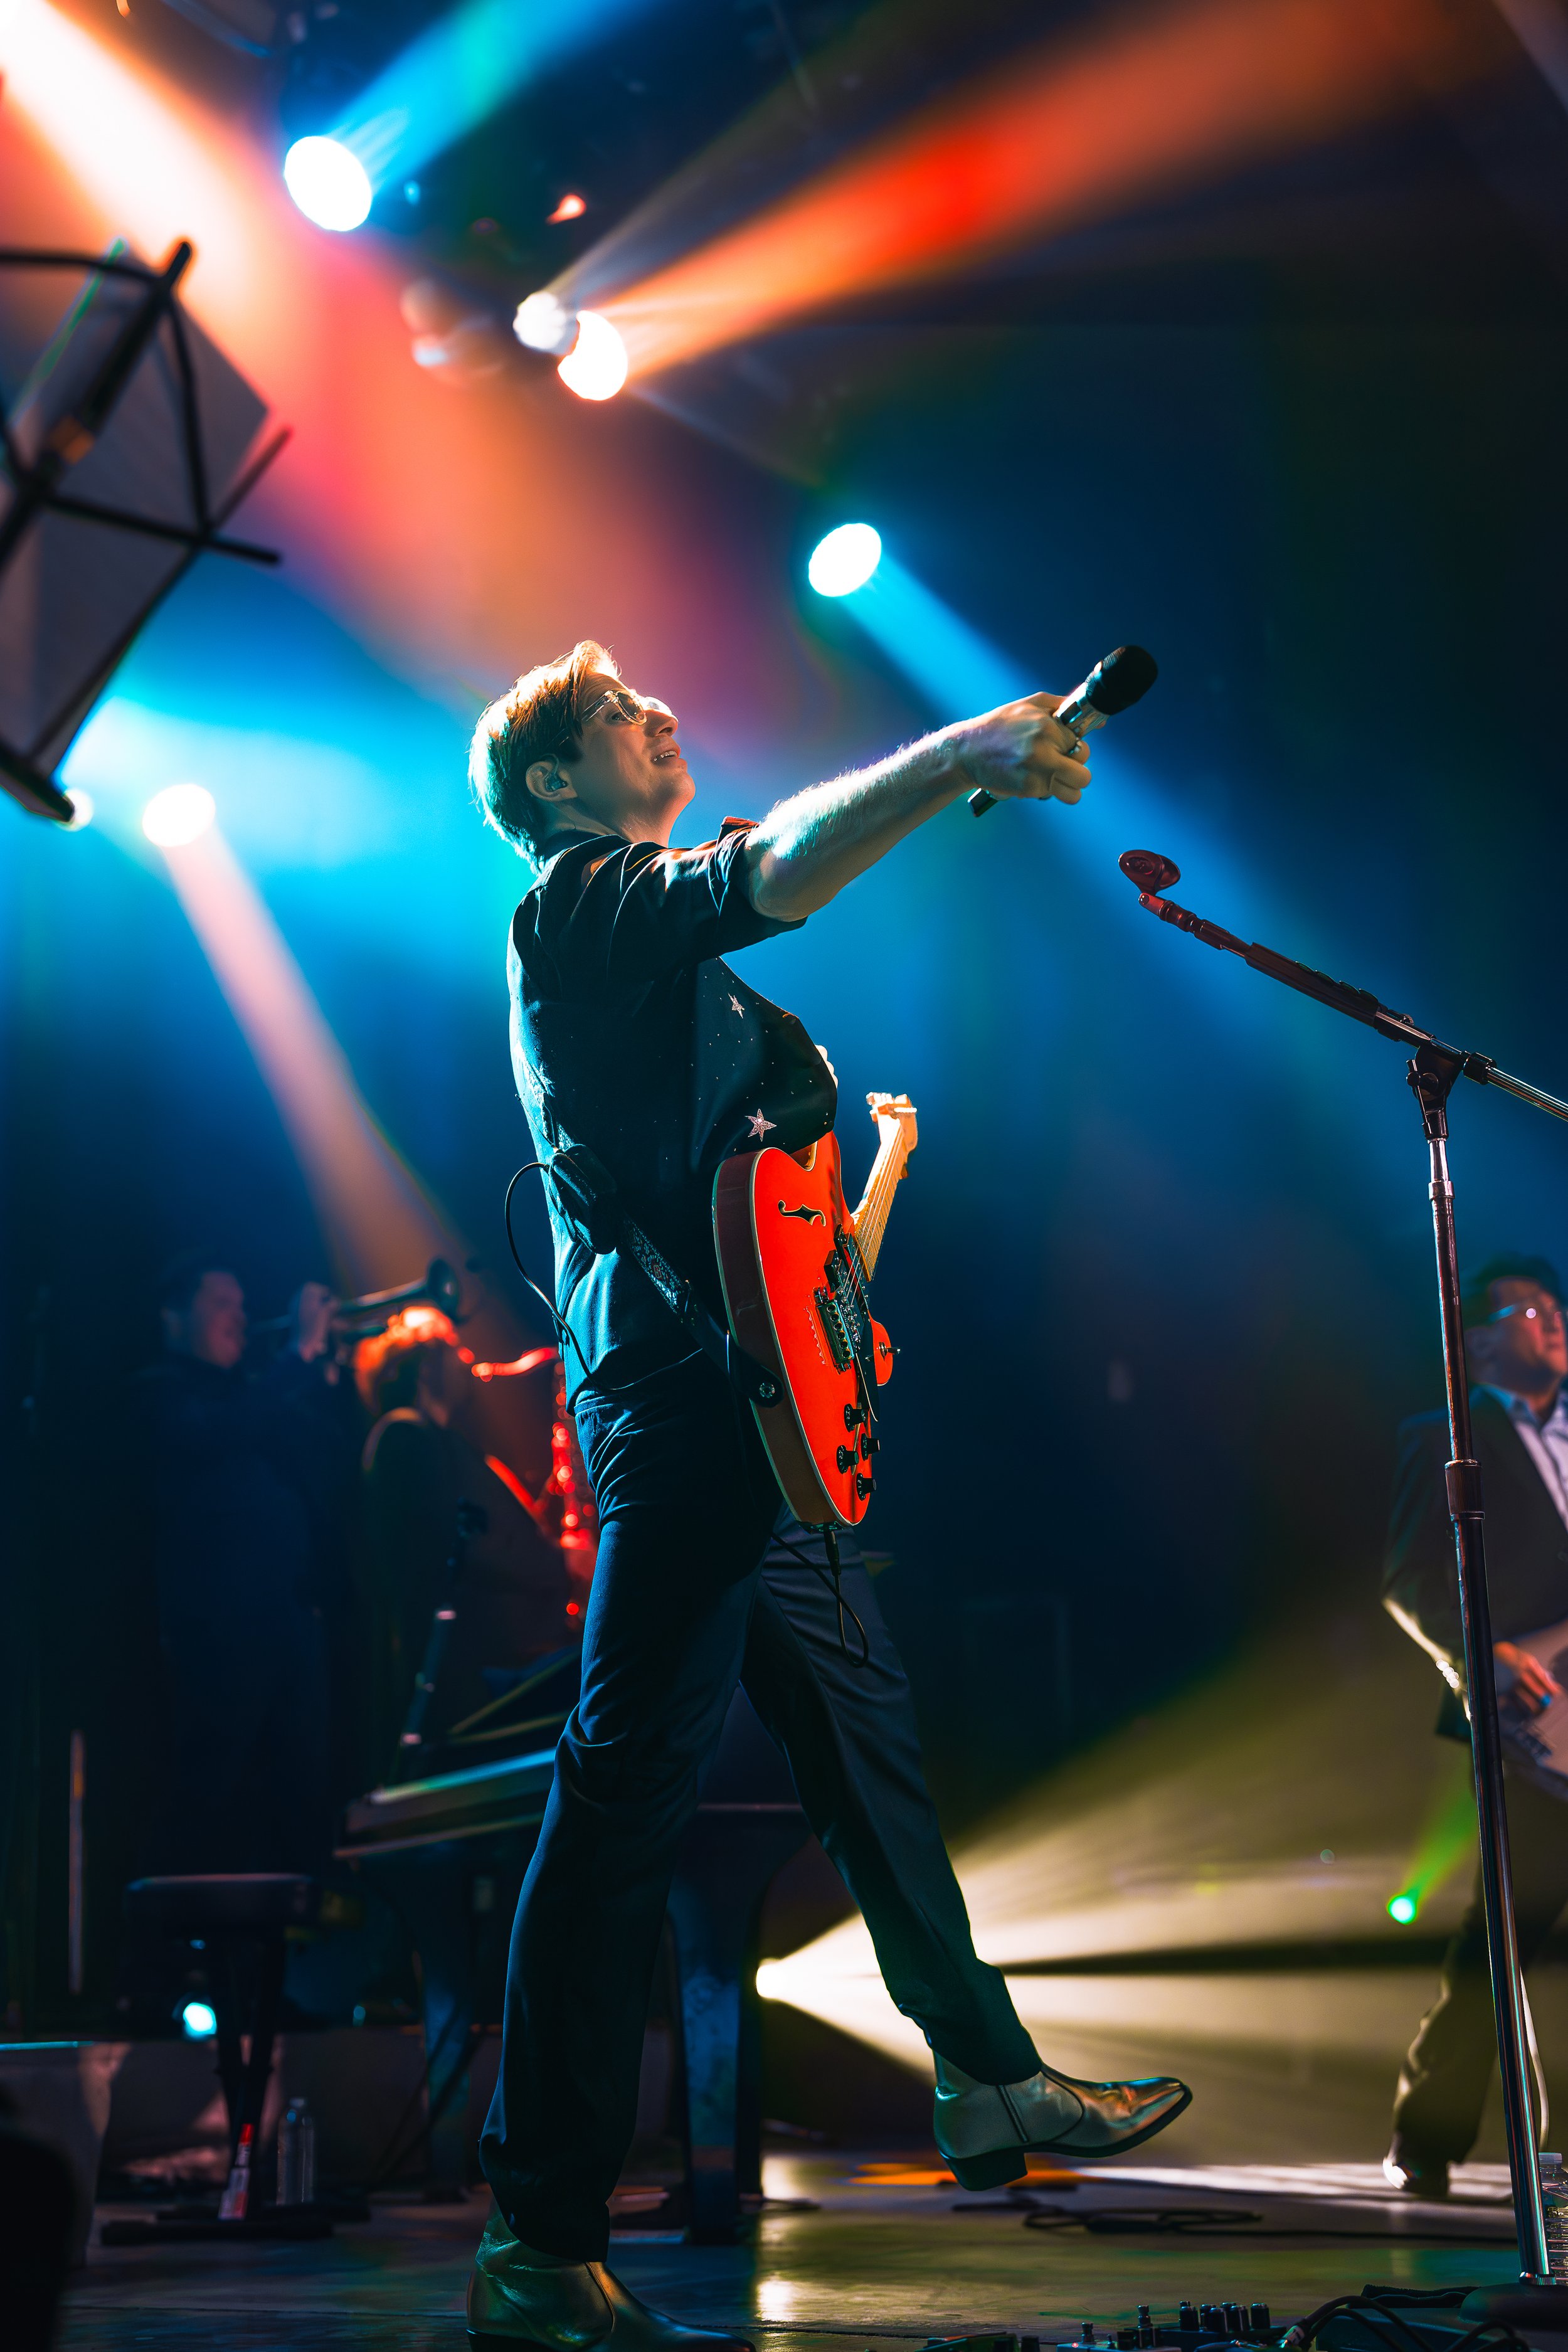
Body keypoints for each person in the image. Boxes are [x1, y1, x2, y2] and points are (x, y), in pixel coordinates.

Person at [460, 642, 1191, 2351]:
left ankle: (990, 2075)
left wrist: (860, 1256)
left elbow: (777, 1243)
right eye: (616, 710)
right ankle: (534, 2234)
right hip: (681, 1408)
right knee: (623, 1787)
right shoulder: (582, 907)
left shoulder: (677, 969)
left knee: (865, 1736)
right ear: (555, 787)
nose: (660, 708)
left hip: (756, 1419)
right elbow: (773, 867)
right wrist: (967, 757)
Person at [1382, 1252, 1568, 2197]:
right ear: (1479, 1341)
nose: (1552, 1318)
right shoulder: (1446, 1434)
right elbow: (1410, 1580)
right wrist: (1480, 1655)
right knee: (1507, 1926)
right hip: (1526, 1721)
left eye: (1554, 1304)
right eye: (1526, 1309)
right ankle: (1431, 2131)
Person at [142, 1252, 359, 1874]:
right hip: (219, 1636)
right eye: (221, 1305)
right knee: (213, 1796)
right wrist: (296, 1355)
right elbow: (219, 1431)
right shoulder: (162, 1393)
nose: (240, 1319)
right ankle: (176, 1954)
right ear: (173, 1317)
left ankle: (289, 1951)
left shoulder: (256, 1393)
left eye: (241, 1306)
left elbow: (328, 1460)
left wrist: (324, 1374)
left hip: (290, 1624)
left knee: (299, 1801)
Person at [357, 1310, 574, 1772]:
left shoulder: (437, 1440)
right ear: (426, 1363)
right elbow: (460, 1548)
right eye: (453, 1345)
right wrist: (563, 1564)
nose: (468, 1356)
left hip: (488, 1664)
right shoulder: (404, 1435)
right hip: (465, 1677)